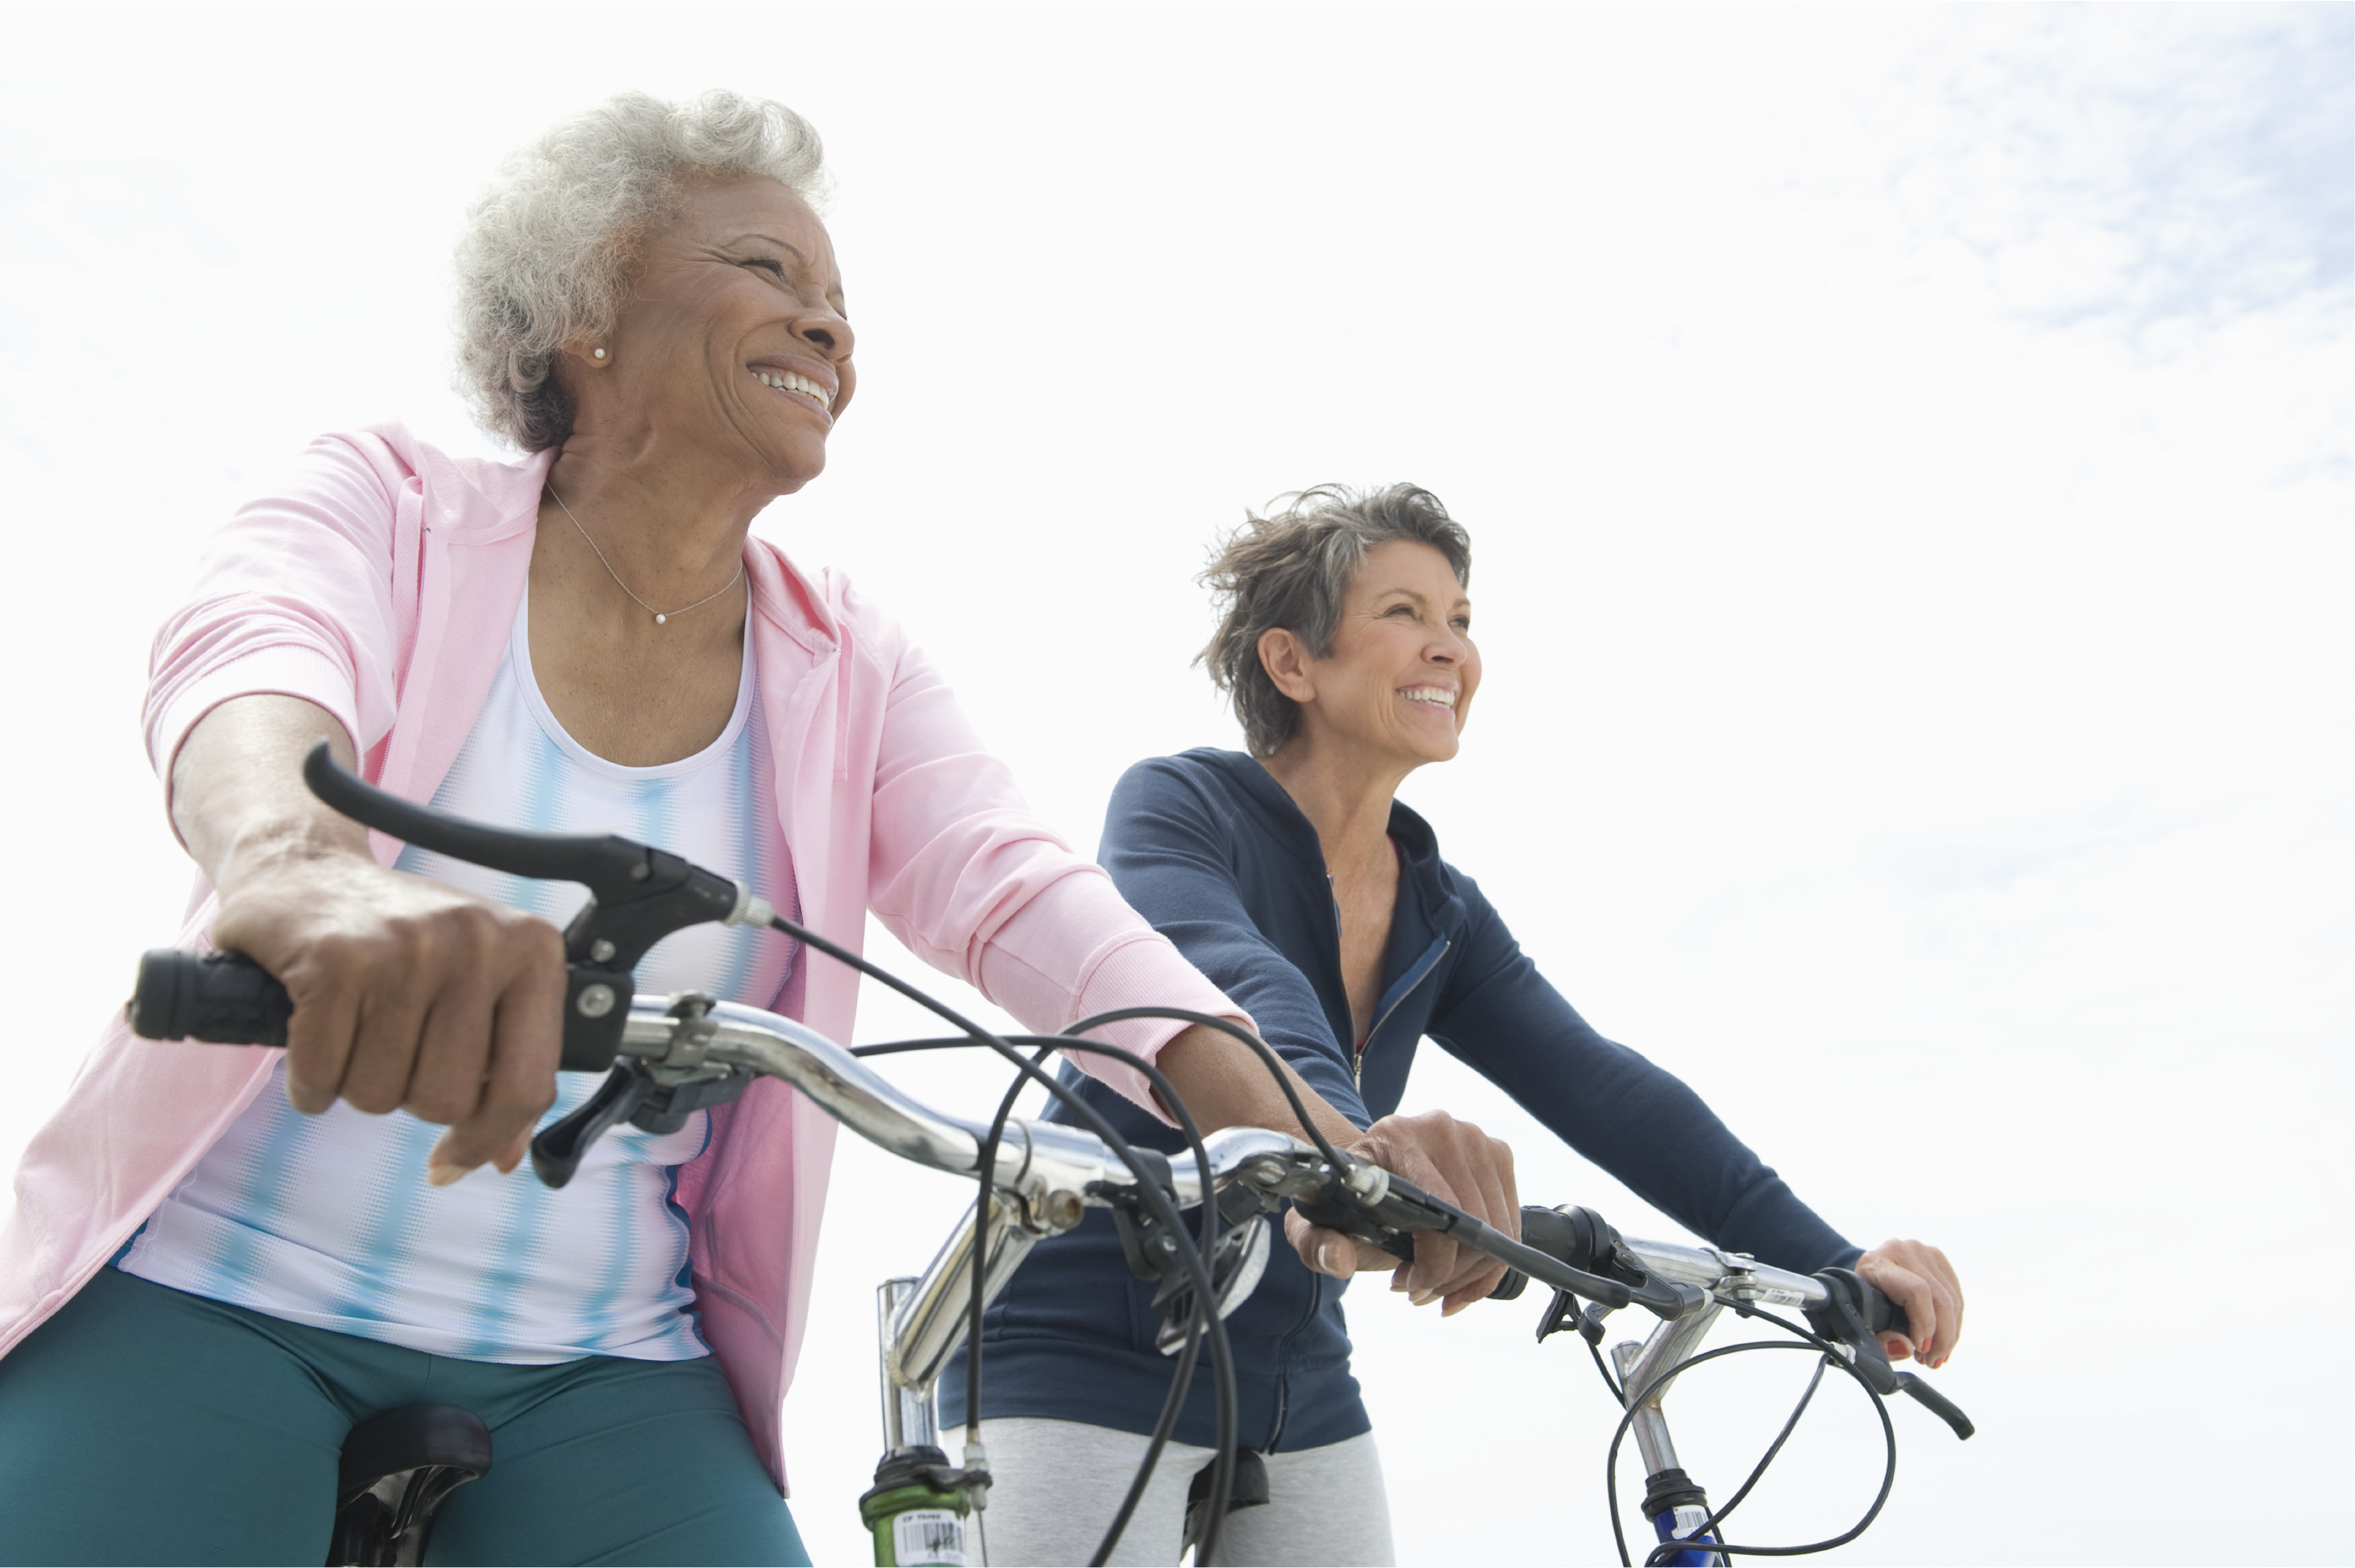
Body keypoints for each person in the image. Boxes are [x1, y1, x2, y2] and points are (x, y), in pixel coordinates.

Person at [0, 89, 1269, 1565]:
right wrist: (297, 869)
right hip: (215, 1284)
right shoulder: (393, 507)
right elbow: (253, 653)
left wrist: (1290, 1118)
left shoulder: (845, 658)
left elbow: (1013, 886)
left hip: (605, 1366)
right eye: (768, 271)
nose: (830, 329)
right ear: (589, 307)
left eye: (841, 304)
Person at [953, 484, 1967, 1566]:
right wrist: (1362, 1151)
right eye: (1405, 613)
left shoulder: (1439, 908)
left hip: (1299, 1377)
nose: (1448, 649)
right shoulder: (1180, 808)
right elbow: (1237, 983)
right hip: (1077, 1346)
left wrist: (1833, 1267)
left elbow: (1602, 1086)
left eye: (1462, 620)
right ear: (1294, 664)